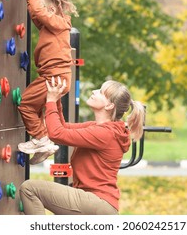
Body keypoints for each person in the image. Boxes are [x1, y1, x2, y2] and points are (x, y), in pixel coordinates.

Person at [19, 77, 145, 215]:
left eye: (101, 92)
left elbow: (56, 134)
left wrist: (50, 101)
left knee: (29, 188)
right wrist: (58, 99)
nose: (94, 91)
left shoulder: (105, 134)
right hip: (97, 204)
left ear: (109, 106)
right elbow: (62, 128)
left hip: (96, 202)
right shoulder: (99, 127)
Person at [17, 0, 78, 165]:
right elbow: (37, 14)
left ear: (51, 8)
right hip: (55, 77)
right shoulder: (51, 25)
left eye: (44, 5)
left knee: (25, 104)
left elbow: (40, 13)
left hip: (54, 78)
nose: (41, 9)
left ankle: (41, 139)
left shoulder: (59, 23)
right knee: (35, 108)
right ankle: (43, 145)